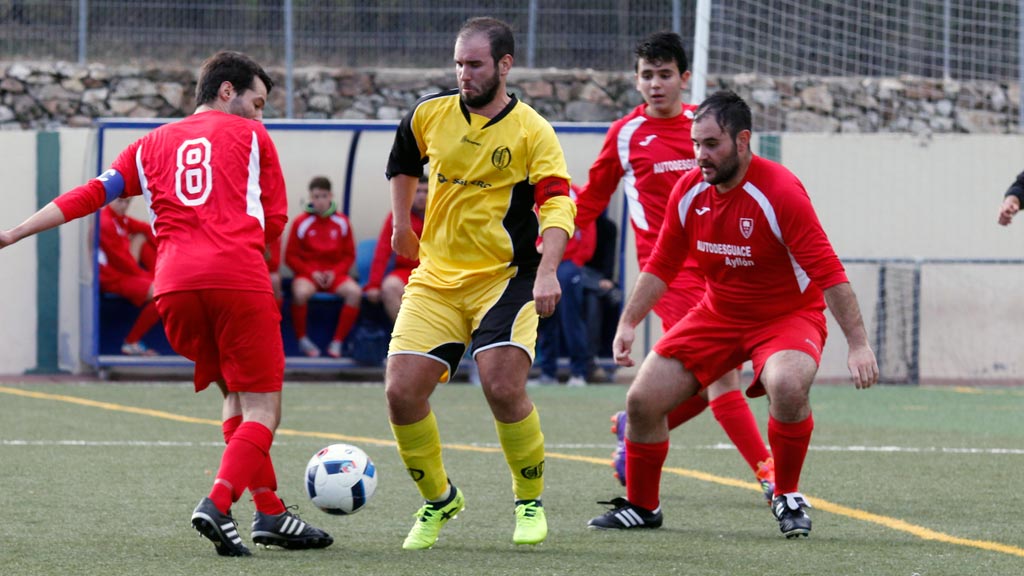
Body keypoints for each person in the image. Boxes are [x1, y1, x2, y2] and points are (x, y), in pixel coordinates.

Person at [0, 50, 332, 556]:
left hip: (172, 287)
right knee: (265, 407)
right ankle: (218, 504)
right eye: (257, 102)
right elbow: (274, 221)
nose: (261, 115)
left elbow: (93, 193)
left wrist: (16, 230)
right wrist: (248, 264)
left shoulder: (149, 143)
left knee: (234, 395)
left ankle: (270, 513)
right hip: (235, 279)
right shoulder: (253, 137)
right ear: (227, 91)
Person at [586, 90, 878, 538]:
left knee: (785, 383)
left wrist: (858, 344)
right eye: (695, 144)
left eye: (711, 144)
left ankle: (787, 494)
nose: (699, 155)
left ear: (743, 141)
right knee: (641, 400)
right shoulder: (689, 190)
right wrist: (628, 322)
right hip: (717, 314)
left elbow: (829, 273)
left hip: (787, 317)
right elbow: (661, 264)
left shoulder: (780, 192)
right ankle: (643, 506)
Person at [383, 16, 575, 550]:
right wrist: (402, 223)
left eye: (475, 64)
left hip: (506, 280)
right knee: (400, 393)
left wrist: (550, 270)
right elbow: (402, 160)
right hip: (436, 279)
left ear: (504, 66)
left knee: (501, 385)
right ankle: (440, 500)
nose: (464, 74)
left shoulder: (532, 130)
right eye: (458, 64)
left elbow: (558, 202)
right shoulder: (429, 113)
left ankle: (528, 500)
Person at [573, 31, 775, 495]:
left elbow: (740, 183)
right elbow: (592, 200)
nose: (656, 84)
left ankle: (634, 423)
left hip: (721, 265)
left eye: (665, 75)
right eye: (647, 75)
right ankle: (769, 473)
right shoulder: (625, 134)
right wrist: (552, 243)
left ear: (684, 78)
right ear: (636, 81)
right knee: (725, 375)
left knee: (704, 386)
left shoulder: (704, 127)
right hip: (668, 274)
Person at [284, 176, 361, 358]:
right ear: (310, 198)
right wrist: (310, 272)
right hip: (309, 274)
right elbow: (290, 257)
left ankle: (337, 342)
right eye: (316, 196)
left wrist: (335, 273)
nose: (319, 201)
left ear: (331, 196)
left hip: (335, 275)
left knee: (354, 293)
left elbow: (349, 255)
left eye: (323, 196)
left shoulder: (342, 222)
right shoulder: (300, 222)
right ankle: (302, 339)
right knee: (300, 292)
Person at [533, 185, 598, 387]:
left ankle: (579, 372)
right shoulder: (535, 193)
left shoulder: (576, 194)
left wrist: (577, 262)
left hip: (568, 265)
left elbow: (586, 227)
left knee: (571, 319)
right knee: (544, 317)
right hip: (543, 263)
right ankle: (547, 373)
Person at [99, 196, 161, 355]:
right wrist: (146, 278)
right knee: (162, 295)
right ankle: (131, 342)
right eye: (120, 201)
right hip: (113, 278)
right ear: (109, 200)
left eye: (127, 202)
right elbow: (122, 262)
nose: (124, 206)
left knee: (143, 238)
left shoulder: (121, 220)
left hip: (125, 273)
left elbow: (147, 228)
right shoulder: (105, 223)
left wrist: (167, 250)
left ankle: (164, 276)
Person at [364, 174, 428, 323]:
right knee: (390, 287)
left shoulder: (441, 216)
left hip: (434, 273)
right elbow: (383, 251)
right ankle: (408, 338)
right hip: (406, 272)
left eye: (426, 191)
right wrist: (374, 284)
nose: (421, 196)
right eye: (417, 191)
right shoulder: (397, 217)